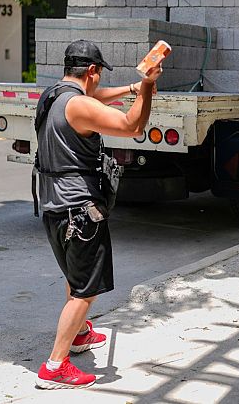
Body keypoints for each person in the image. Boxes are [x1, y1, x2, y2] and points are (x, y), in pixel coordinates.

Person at [35, 40, 162, 389]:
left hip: (54, 208)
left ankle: (78, 336)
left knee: (76, 276)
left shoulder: (53, 96)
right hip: (80, 211)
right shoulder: (78, 106)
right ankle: (54, 367)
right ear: (92, 71)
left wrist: (131, 87)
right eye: (99, 75)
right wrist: (147, 87)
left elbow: (94, 99)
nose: (99, 82)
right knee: (85, 292)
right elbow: (133, 126)